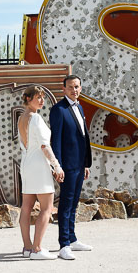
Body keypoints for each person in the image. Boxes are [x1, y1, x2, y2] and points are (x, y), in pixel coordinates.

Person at [17, 85, 64, 260]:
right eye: (38, 97)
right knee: (46, 207)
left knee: (26, 207)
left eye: (43, 97)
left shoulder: (22, 118)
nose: (42, 100)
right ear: (28, 99)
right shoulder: (35, 118)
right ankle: (37, 249)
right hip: (38, 163)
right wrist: (56, 166)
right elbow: (44, 145)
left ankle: (27, 248)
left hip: (27, 163)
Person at [50, 75, 93, 260]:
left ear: (80, 88)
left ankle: (73, 239)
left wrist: (85, 163)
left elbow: (83, 137)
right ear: (64, 89)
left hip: (79, 164)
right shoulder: (58, 110)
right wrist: (57, 166)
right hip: (66, 166)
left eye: (76, 86)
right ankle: (64, 244)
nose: (74, 90)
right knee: (66, 205)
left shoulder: (80, 107)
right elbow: (56, 140)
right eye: (70, 87)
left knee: (74, 203)